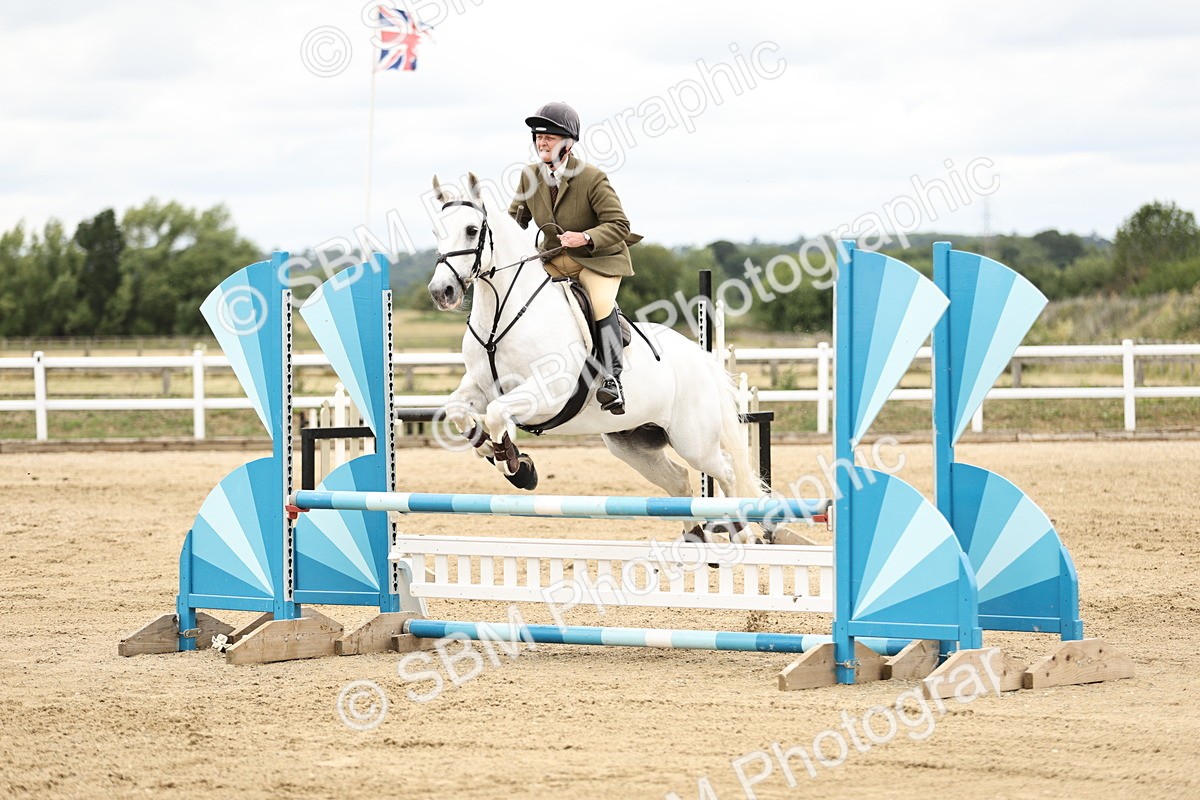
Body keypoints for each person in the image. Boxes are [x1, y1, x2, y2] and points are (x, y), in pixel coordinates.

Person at [507, 101, 642, 415]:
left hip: (598, 259)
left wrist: (586, 237)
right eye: (539, 136)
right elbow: (515, 220)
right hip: (555, 258)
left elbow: (620, 225)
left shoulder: (592, 177)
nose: (542, 141)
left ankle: (612, 379)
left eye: (550, 137)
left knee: (599, 304)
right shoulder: (530, 176)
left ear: (567, 143)